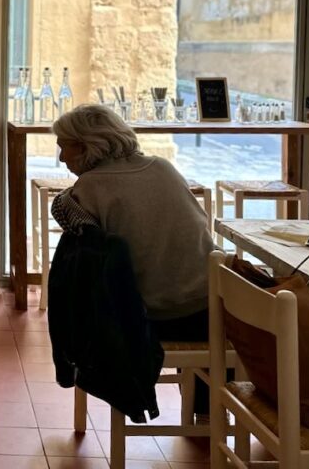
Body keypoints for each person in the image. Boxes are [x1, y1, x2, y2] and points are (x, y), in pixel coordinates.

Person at [50, 104, 217, 413]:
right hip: (204, 312)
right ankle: (204, 407)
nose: (61, 158)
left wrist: (63, 198)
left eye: (64, 147)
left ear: (87, 146)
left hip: (142, 321)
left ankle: (79, 371)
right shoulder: (163, 167)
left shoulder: (90, 187)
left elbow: (64, 214)